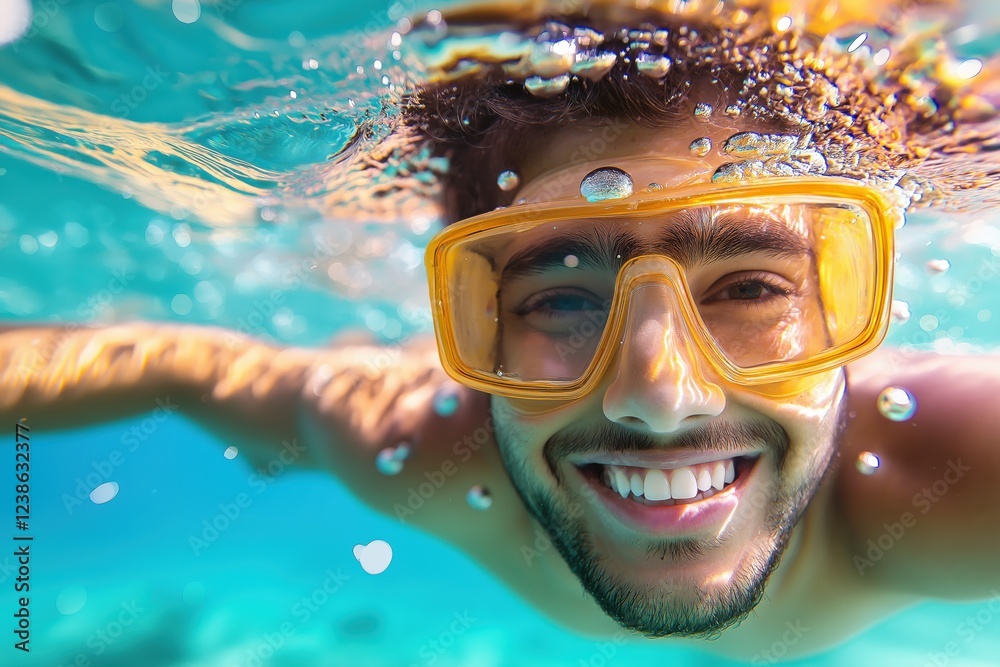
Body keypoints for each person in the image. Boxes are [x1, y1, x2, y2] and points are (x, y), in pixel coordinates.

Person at [3, 0, 999, 661]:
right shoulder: (422, 451)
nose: (657, 396)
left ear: (847, 308)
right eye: (560, 299)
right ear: (473, 326)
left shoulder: (958, 467)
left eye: (746, 289)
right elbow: (182, 364)